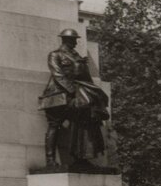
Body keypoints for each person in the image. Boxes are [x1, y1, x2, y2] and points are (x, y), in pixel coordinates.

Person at [38, 28, 109, 170]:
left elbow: (86, 79)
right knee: (54, 125)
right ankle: (50, 160)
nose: (76, 43)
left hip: (77, 95)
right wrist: (72, 91)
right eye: (74, 40)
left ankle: (80, 157)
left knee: (83, 122)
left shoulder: (78, 58)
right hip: (57, 95)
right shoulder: (55, 55)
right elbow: (58, 75)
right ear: (66, 40)